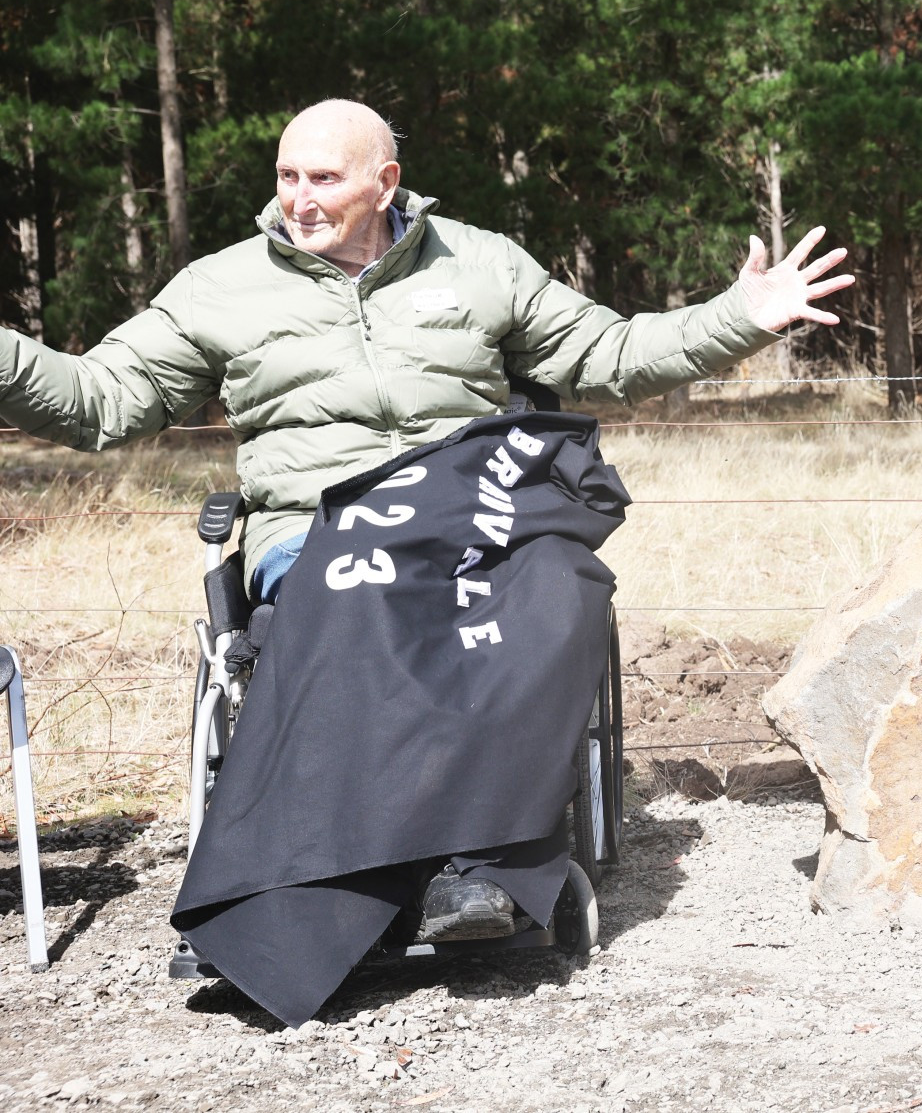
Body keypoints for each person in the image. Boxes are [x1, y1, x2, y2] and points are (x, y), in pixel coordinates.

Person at [0, 98, 853, 939]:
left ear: (385, 181)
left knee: (561, 582)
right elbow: (99, 402)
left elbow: (608, 355)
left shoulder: (479, 264)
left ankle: (480, 867)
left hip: (469, 511)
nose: (301, 199)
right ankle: (384, 874)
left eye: (325, 178)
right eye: (288, 176)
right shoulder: (220, 289)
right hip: (318, 527)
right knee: (374, 594)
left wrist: (740, 319)